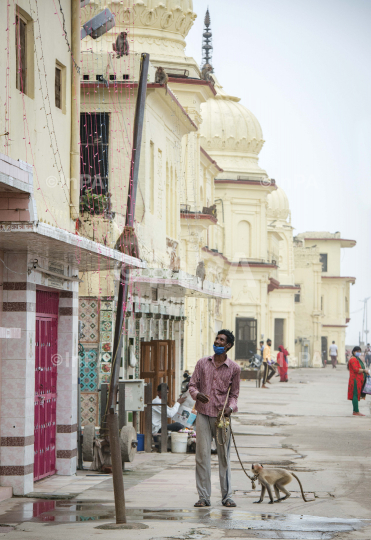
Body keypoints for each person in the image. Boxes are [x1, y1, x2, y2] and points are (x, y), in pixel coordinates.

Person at [189, 329, 240, 508]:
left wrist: (230, 408)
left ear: (228, 346)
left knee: (224, 457)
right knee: (202, 456)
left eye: (221, 340)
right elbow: (192, 385)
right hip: (203, 414)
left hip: (221, 417)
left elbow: (234, 395)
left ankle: (227, 496)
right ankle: (204, 497)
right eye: (216, 339)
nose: (217, 342)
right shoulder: (202, 363)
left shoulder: (234, 368)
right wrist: (197, 395)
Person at [348, 346, 370, 416]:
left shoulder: (356, 358)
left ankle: (355, 410)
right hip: (355, 380)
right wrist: (364, 370)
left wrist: (364, 372)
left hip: (358, 379)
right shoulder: (353, 359)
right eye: (357, 351)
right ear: (353, 352)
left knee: (355, 394)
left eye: (360, 351)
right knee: (355, 395)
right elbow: (356, 369)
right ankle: (356, 411)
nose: (359, 353)